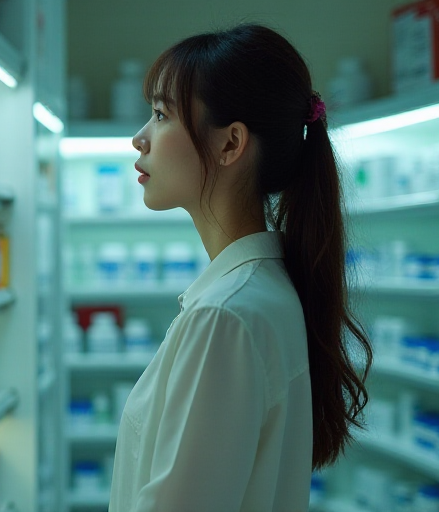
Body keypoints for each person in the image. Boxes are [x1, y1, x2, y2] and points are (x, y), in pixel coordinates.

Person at [110, 24, 371, 511]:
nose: (139, 139)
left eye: (162, 114)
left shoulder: (223, 319)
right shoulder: (262, 292)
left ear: (230, 145)